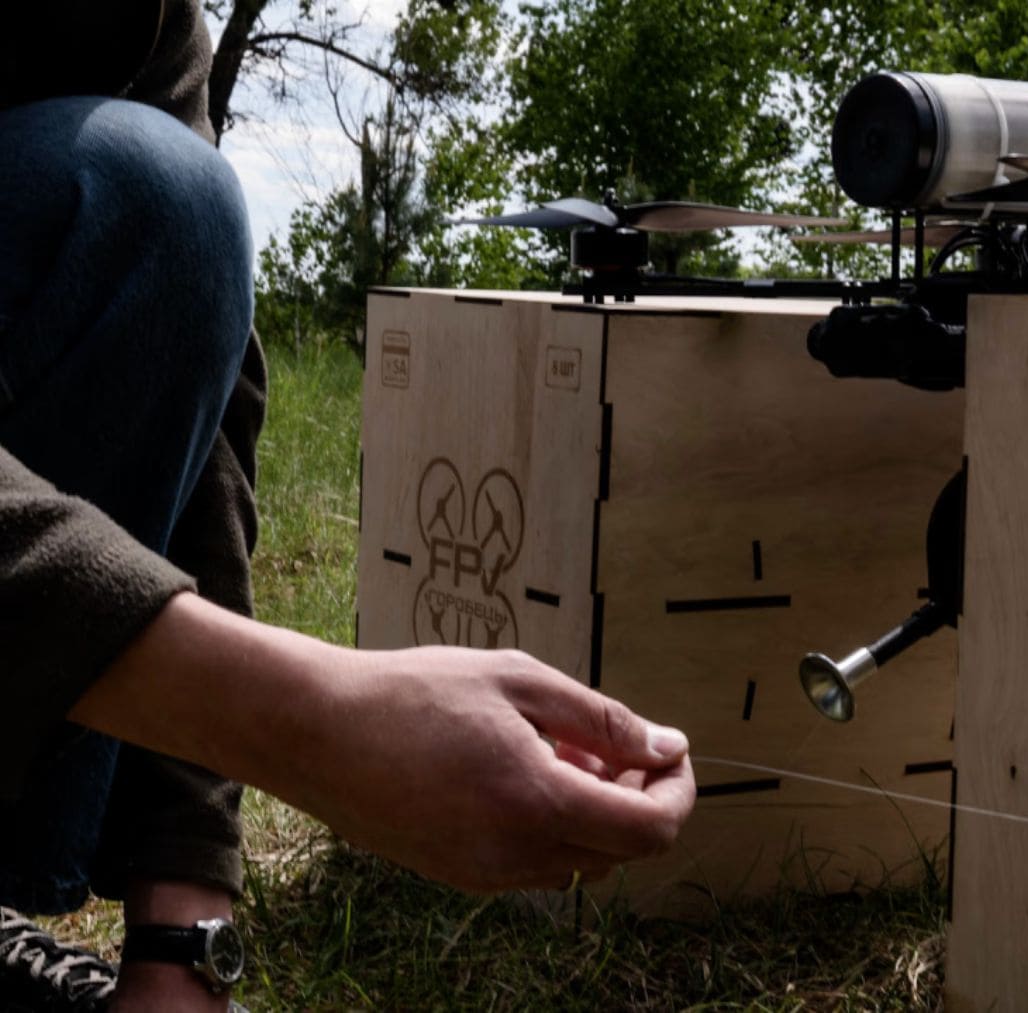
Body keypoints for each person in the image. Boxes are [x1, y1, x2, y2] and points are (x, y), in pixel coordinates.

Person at [0, 4, 698, 1011]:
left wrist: (180, 945)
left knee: (165, 210)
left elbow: (202, 385)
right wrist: (309, 720)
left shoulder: (138, 22)